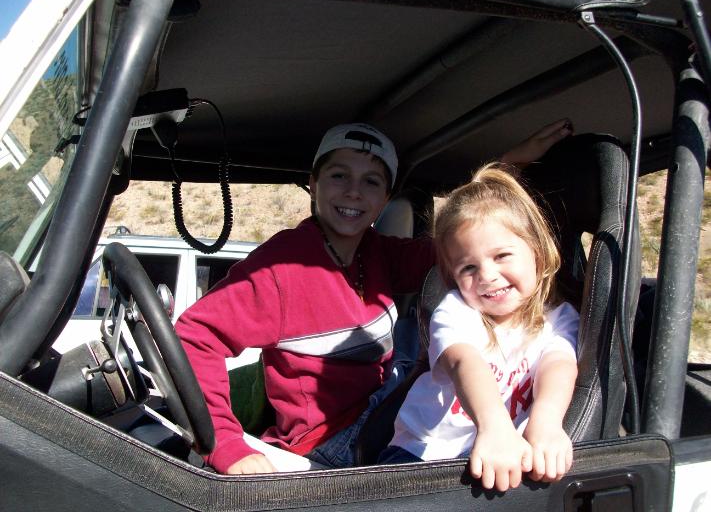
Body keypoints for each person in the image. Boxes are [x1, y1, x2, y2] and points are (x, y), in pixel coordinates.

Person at [176, 120, 573, 475]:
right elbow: (195, 336)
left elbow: (467, 245)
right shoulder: (283, 266)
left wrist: (506, 168)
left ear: (385, 198)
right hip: (330, 445)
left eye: (371, 182)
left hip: (378, 411)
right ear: (313, 183)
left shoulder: (377, 253)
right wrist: (223, 443)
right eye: (339, 175)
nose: (353, 192)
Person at [380, 164, 579, 493]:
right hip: (422, 452)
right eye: (469, 267)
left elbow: (559, 364)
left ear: (537, 253)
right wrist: (495, 425)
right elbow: (464, 361)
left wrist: (546, 422)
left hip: (494, 454)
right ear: (453, 278)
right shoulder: (456, 311)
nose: (487, 276)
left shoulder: (559, 320)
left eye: (501, 256)